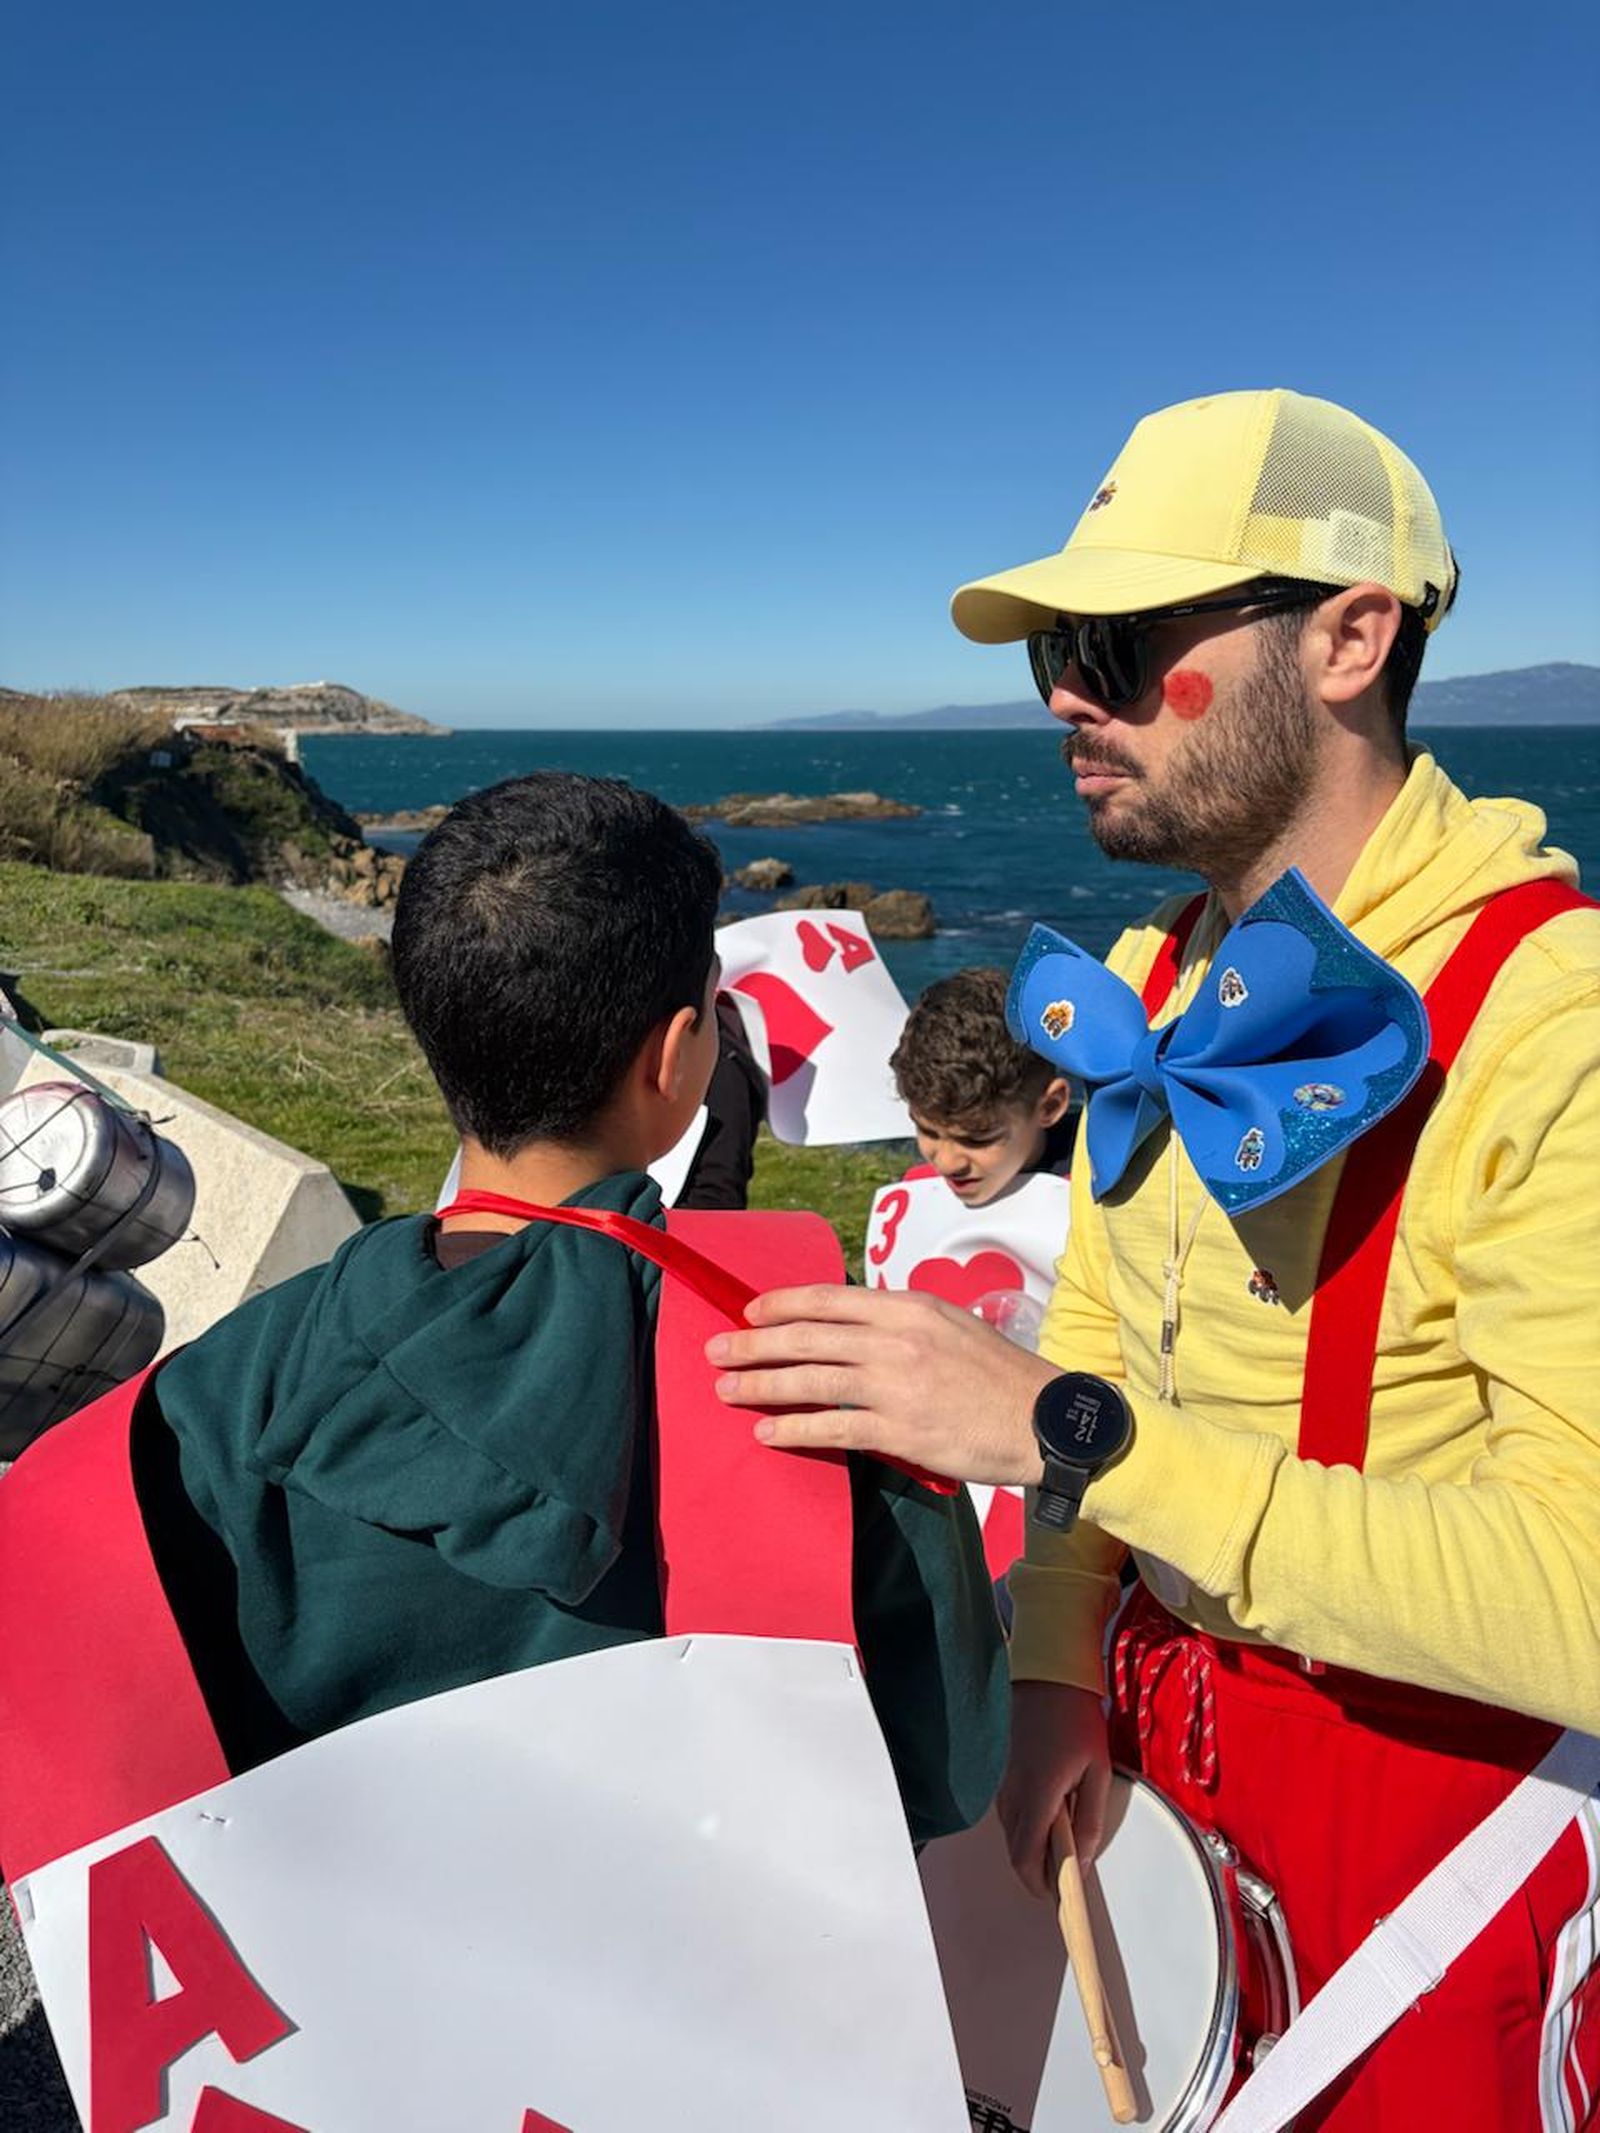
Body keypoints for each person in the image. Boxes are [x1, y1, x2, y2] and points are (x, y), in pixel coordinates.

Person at [707, 390, 1600, 2128]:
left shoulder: (1547, 1024)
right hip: (1167, 1756)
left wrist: (1060, 1433)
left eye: (1119, 645)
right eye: (1058, 650)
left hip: (1442, 1831)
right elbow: (1114, 1340)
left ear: (1349, 639)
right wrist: (1059, 1668)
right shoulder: (1163, 977)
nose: (1065, 695)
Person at [7, 773, 1006, 1851]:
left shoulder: (200, 1405)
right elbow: (946, 1773)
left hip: (331, 1937)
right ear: (675, 1057)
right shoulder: (819, 1378)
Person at [889, 965, 1075, 1214]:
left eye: (976, 1139)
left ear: (1050, 1107)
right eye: (928, 1131)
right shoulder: (916, 1189)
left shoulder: (1105, 1187)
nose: (946, 1164)